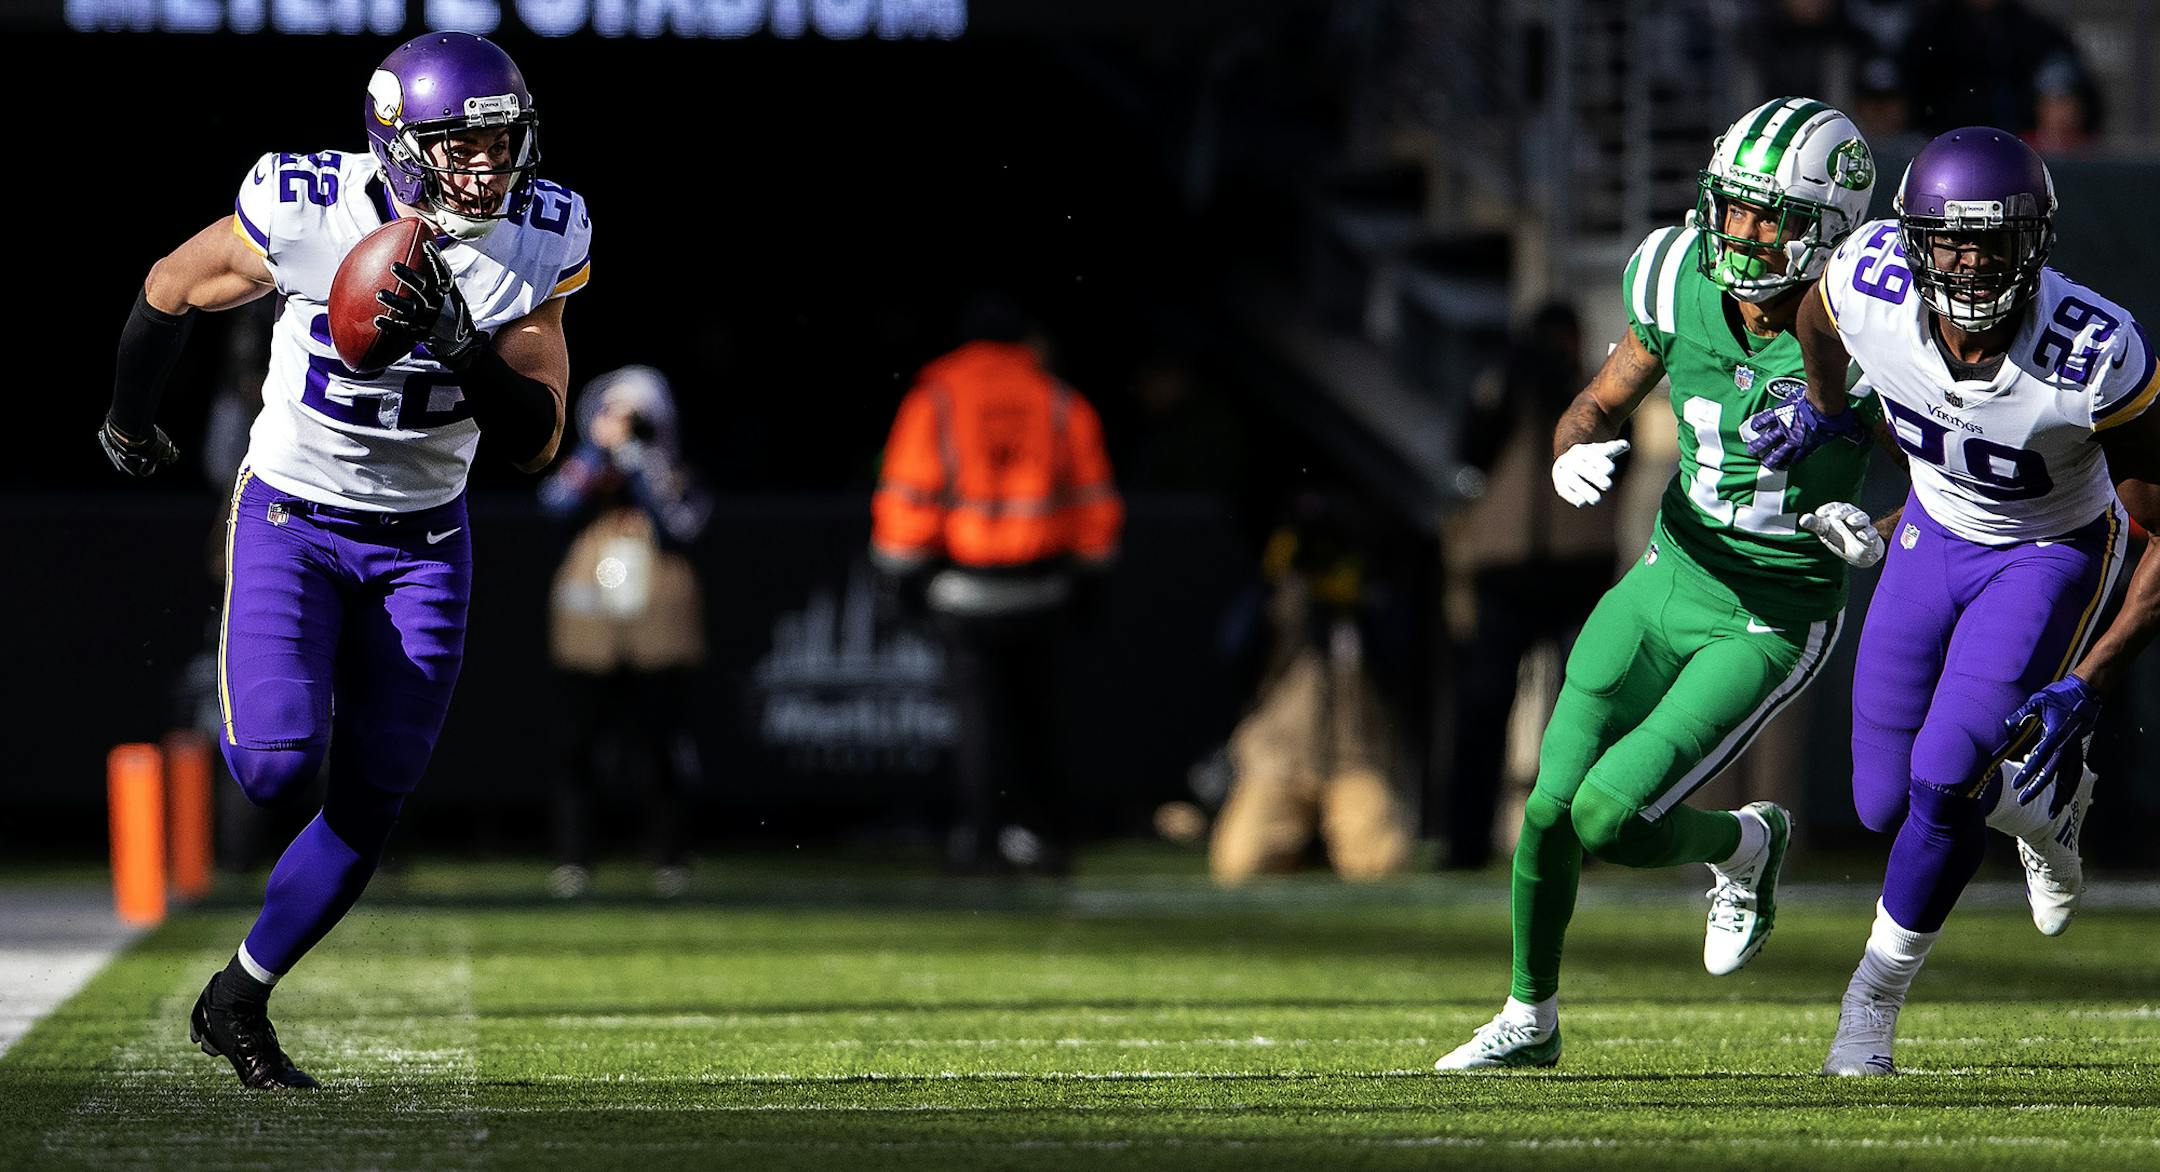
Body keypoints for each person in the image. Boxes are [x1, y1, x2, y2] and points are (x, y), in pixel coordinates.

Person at [96, 30, 586, 1088]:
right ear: (399, 142)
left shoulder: (544, 233)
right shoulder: (308, 203)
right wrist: (130, 421)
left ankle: (236, 996)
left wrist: (462, 342)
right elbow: (172, 284)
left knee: (373, 796)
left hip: (426, 540)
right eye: (462, 149)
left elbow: (538, 435)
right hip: (294, 518)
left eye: (501, 146)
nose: (489, 170)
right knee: (272, 764)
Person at [1434, 98, 1889, 1071]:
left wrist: (1880, 530)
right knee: (1551, 803)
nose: (1744, 233)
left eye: (1774, 218)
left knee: (1610, 813)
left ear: (1831, 230)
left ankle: (1743, 844)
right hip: (1665, 570)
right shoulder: (1672, 269)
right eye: (1735, 207)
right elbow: (1597, 401)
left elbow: (1946, 474)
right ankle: (1530, 1013)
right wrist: (1570, 449)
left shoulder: (1871, 322)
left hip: (1767, 614)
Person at [1746, 127, 2160, 1075]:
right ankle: (2037, 796)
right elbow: (1817, 323)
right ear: (1913, 239)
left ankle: (1870, 1005)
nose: (1970, 264)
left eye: (1994, 242)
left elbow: (2156, 530)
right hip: (1933, 535)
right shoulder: (1869, 285)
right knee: (1885, 805)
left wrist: (2091, 682)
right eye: (1950, 241)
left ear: (2037, 244)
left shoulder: (2095, 353)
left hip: (2048, 550)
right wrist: (1829, 410)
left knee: (1942, 779)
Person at [869, 297, 1123, 875]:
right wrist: (1091, 576)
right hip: (1044, 587)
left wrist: (900, 574)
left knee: (981, 723)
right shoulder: (1059, 400)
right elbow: (1093, 501)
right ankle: (1046, 835)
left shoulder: (937, 398)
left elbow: (909, 495)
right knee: (1040, 719)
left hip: (964, 587)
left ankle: (982, 838)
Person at [1441, 301, 1618, 871]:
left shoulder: (1598, 389)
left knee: (1582, 711)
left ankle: (1580, 838)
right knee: (1484, 705)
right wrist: (1506, 388)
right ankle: (1465, 839)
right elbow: (1470, 452)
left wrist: (1572, 389)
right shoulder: (1502, 390)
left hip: (1577, 567)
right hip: (1508, 570)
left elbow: (1623, 453)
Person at [540, 366, 711, 900]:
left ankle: (670, 857)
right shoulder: (587, 469)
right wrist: (597, 452)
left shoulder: (673, 472)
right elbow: (553, 504)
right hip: (592, 620)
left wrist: (639, 459)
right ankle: (574, 858)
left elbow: (680, 524)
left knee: (661, 741)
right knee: (579, 742)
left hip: (657, 620)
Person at [1209, 487, 1416, 883]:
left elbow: (1399, 662)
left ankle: (1325, 844)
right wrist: (1270, 583)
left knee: (1381, 862)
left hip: (1352, 755)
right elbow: (1230, 650)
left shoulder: (1364, 599)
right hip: (1280, 757)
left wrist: (1364, 602)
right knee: (1240, 864)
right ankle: (1300, 845)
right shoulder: (1275, 598)